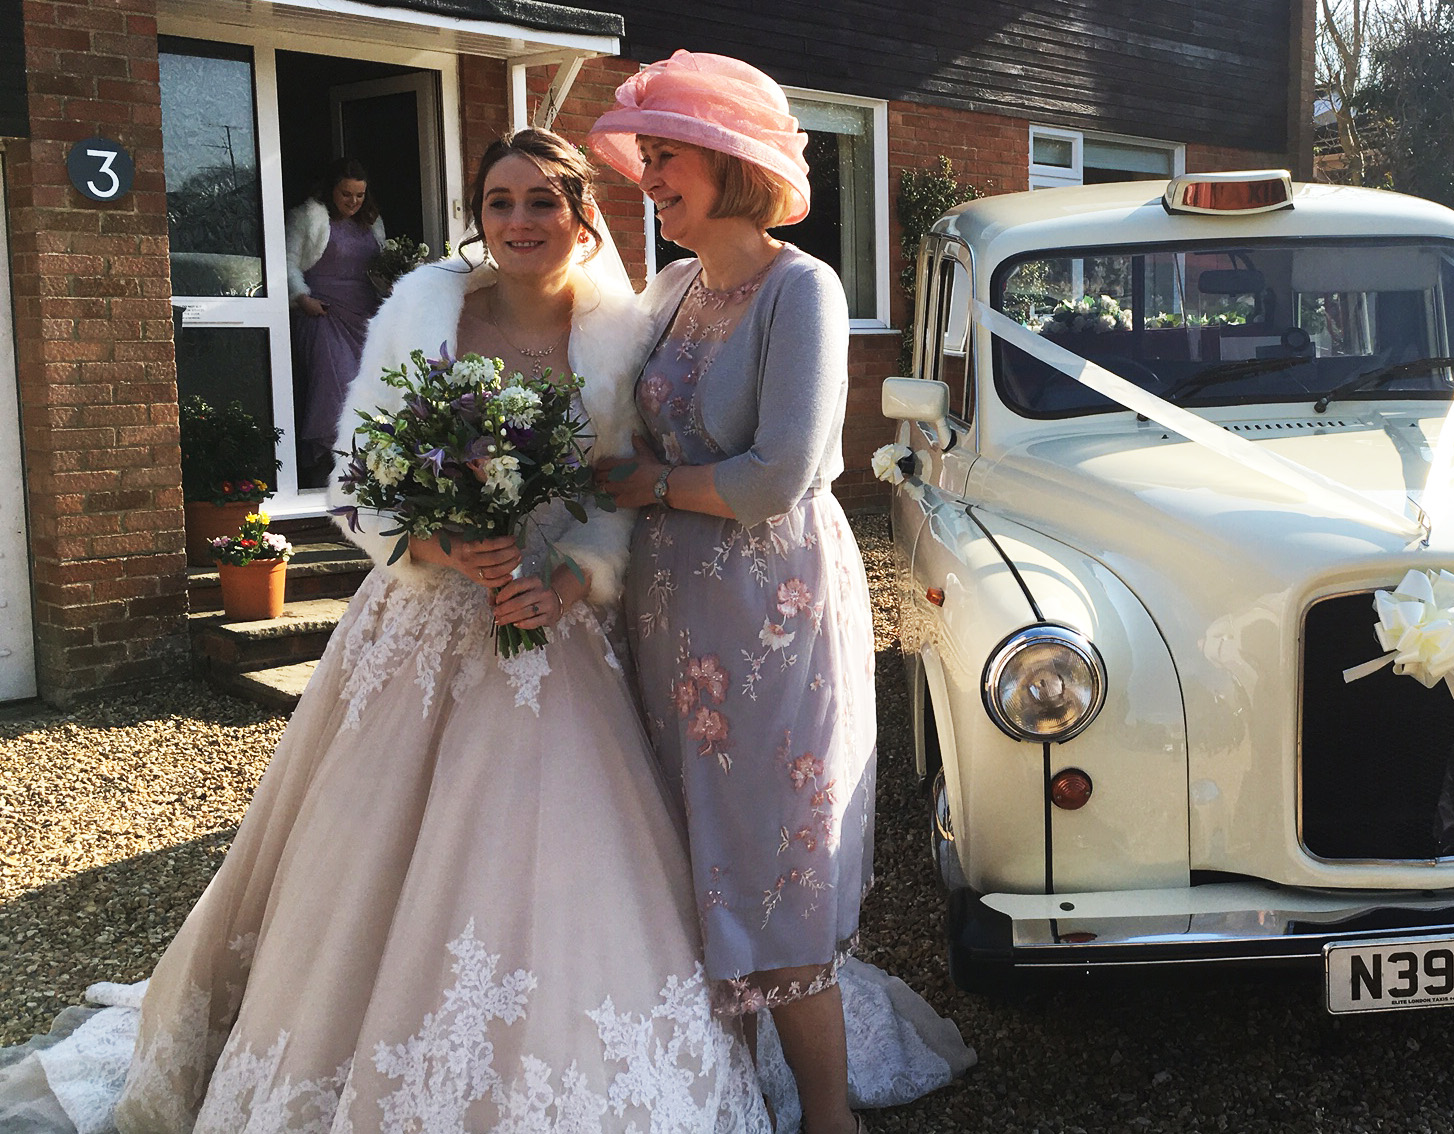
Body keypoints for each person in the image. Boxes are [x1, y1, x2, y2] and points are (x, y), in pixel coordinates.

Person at [104, 129, 770, 1133]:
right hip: (421, 611)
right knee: (362, 848)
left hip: (549, 619)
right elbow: (363, 477)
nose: (519, 223)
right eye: (499, 203)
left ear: (582, 213)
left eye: (542, 201)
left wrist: (571, 579)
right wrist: (437, 546)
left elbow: (619, 485)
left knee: (565, 837)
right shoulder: (426, 308)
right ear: (477, 215)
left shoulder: (622, 332)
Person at [588, 52, 885, 1134]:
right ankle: (731, 1093)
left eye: (666, 161)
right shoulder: (670, 289)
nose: (649, 180)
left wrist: (653, 485)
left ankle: (826, 1113)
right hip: (670, 607)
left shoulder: (802, 288)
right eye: (647, 161)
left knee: (770, 850)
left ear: (728, 164)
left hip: (770, 609)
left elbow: (778, 474)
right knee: (695, 843)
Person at [286, 157, 385, 486]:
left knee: (370, 392)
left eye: (360, 196)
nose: (354, 203)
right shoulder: (308, 217)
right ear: (331, 191)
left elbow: (382, 266)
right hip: (324, 315)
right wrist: (302, 297)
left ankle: (364, 472)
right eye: (346, 195)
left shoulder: (372, 223)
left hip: (365, 320)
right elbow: (287, 262)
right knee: (337, 389)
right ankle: (327, 468)